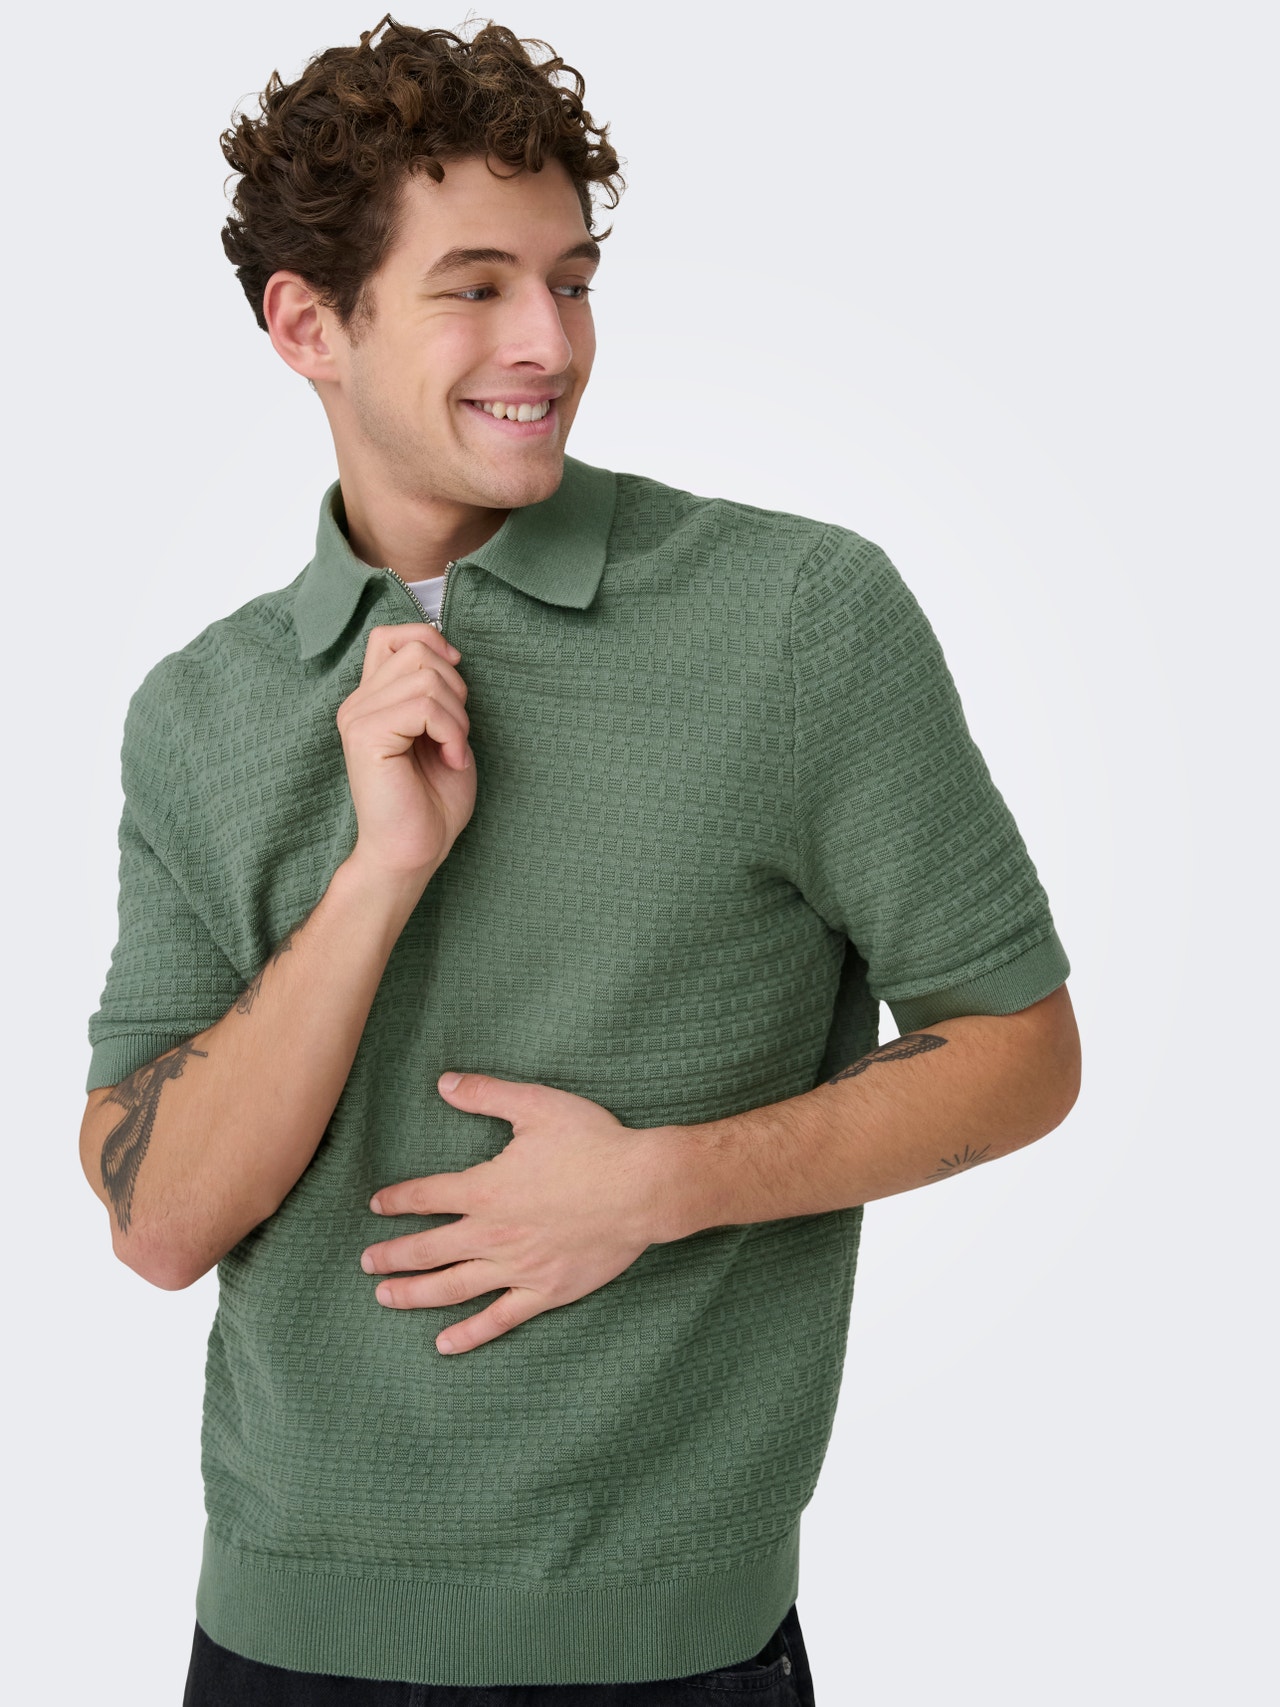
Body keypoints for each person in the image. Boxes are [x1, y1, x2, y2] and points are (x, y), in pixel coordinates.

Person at [78, 15, 1081, 1705]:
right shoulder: (204, 709)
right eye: (474, 287)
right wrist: (377, 877)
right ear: (308, 324)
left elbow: (1023, 1051)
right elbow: (160, 1223)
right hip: (274, 1648)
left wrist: (657, 1187)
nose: (547, 341)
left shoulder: (797, 618)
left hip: (667, 1653)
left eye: (572, 279)